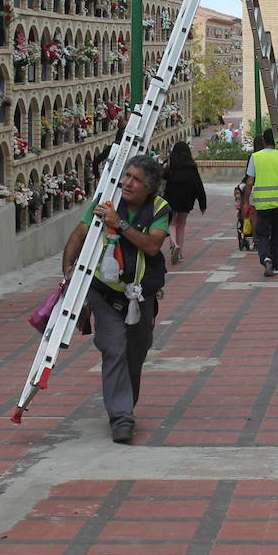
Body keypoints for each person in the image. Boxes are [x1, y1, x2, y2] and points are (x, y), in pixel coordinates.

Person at [60, 154, 170, 444]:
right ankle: (121, 417)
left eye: (136, 179)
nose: (127, 183)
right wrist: (68, 272)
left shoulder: (159, 209)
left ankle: (124, 405)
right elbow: (80, 234)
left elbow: (152, 246)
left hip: (140, 296)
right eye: (127, 176)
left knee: (136, 352)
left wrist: (119, 225)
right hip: (104, 293)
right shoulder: (105, 200)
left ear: (150, 188)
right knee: (115, 347)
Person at [241, 128, 278, 278]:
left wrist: (246, 202)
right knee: (277, 233)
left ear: (263, 141)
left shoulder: (255, 157)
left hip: (262, 204)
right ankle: (275, 263)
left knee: (262, 233)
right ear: (276, 141)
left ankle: (265, 258)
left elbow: (249, 181)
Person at [161, 141, 206, 265]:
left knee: (172, 222)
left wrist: (164, 163)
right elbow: (199, 185)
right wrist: (203, 204)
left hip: (172, 199)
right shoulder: (191, 167)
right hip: (187, 200)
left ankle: (174, 244)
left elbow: (162, 176)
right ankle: (179, 251)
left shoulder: (171, 167)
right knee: (181, 224)